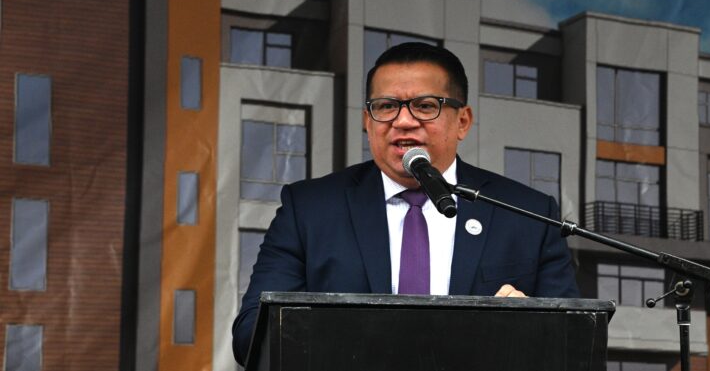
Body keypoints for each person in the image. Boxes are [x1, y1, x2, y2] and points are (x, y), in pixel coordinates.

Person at [232, 42, 579, 365]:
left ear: (462, 121)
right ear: (367, 122)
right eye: (386, 106)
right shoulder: (310, 209)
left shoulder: (527, 214)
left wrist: (531, 329)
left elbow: (574, 346)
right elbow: (251, 336)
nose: (403, 121)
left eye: (425, 106)